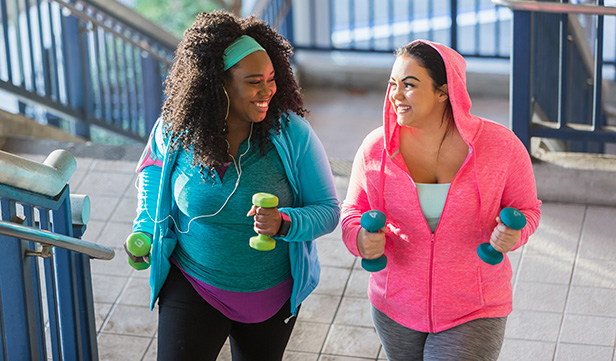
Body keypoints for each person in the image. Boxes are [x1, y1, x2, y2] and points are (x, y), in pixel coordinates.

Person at [125, 11, 340, 361]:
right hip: (194, 283)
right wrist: (145, 227)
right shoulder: (177, 128)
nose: (268, 90)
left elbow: (329, 211)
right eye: (255, 81)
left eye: (272, 78)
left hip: (271, 295)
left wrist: (285, 223)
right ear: (217, 83)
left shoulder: (292, 134)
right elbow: (152, 171)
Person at [340, 40, 542, 360]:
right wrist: (360, 239)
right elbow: (353, 211)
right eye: (393, 84)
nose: (395, 94)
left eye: (409, 85)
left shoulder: (501, 148)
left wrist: (515, 233)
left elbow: (528, 209)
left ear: (443, 92)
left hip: (475, 308)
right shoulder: (375, 149)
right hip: (395, 306)